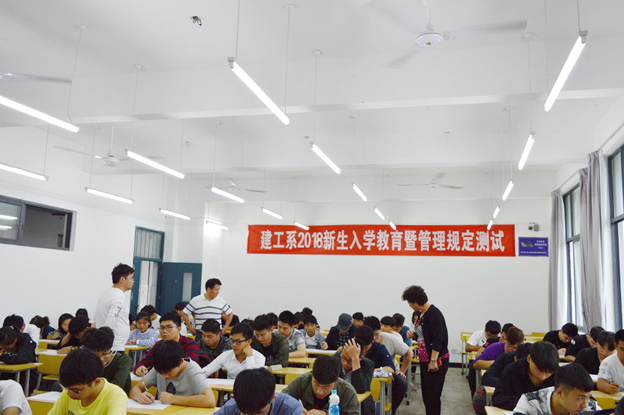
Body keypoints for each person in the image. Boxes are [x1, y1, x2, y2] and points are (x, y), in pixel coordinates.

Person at [403, 285, 449, 415]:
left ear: (415, 302)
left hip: (436, 360)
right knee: (427, 396)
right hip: (425, 359)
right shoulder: (420, 313)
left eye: (409, 302)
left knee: (433, 396)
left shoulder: (434, 314)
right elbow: (425, 335)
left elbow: (438, 339)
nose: (409, 305)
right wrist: (414, 335)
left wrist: (433, 361)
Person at [130, 341, 215, 408]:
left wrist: (173, 399)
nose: (165, 376)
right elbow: (135, 389)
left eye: (168, 372)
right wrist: (139, 396)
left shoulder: (193, 371)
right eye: (161, 373)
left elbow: (210, 400)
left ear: (181, 362)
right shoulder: (161, 366)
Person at [48, 348, 128, 415]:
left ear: (96, 382)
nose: (69, 394)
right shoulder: (70, 390)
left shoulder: (116, 396)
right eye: (66, 388)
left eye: (76, 390)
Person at [363, 316, 411, 413]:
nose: (374, 338)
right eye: (371, 336)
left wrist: (402, 371)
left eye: (376, 334)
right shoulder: (360, 340)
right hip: (366, 375)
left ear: (380, 330)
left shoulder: (391, 340)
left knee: (401, 382)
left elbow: (409, 353)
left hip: (387, 373)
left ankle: (392, 410)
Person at [492, 341, 559, 410]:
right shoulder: (512, 370)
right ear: (529, 358)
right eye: (538, 369)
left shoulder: (559, 374)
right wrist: (528, 405)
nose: (543, 376)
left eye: (549, 372)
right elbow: (498, 399)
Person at [282, 355, 359, 415]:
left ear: (336, 381)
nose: (319, 391)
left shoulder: (347, 391)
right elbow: (281, 400)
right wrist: (295, 409)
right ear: (312, 374)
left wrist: (327, 413)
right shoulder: (303, 381)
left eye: (326, 387)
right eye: (316, 384)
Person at [513, 363, 600, 414]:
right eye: (580, 398)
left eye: (588, 397)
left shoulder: (591, 408)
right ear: (559, 393)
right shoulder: (530, 403)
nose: (585, 405)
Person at [472, 343, 533, 415]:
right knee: (479, 400)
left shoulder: (537, 369)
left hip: (523, 400)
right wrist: (505, 385)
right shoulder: (505, 358)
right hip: (504, 393)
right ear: (515, 359)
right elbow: (487, 377)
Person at [134, 311, 200, 376]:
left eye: (169, 327)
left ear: (179, 329)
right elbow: (145, 361)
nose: (164, 331)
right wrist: (140, 368)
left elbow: (188, 366)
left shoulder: (190, 344)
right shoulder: (159, 345)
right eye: (162, 328)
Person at [215, 368, 302, 415]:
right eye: (245, 413)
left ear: (272, 398)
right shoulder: (232, 406)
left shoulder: (290, 408)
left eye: (258, 413)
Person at [470, 327, 524, 397]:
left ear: (522, 343)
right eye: (510, 346)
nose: (513, 350)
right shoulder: (494, 348)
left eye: (516, 348)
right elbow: (475, 364)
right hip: (497, 384)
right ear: (505, 340)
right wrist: (498, 363)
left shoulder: (525, 352)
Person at [95, 263, 134, 352]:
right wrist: (106, 344)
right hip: (113, 346)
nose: (133, 281)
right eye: (131, 278)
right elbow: (111, 321)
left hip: (109, 345)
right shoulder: (118, 296)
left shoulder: (106, 294)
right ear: (122, 279)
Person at [81, 326, 132, 394]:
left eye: (104, 354)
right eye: (95, 356)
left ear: (110, 349)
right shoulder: (85, 359)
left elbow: (116, 387)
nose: (100, 359)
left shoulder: (123, 360)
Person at [339, 338, 375, 415]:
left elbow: (361, 389)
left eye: (350, 361)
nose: (345, 363)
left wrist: (355, 360)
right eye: (343, 358)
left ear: (361, 358)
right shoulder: (335, 360)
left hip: (360, 404)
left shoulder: (368, 365)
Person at [597, 329, 624, 394]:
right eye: (623, 349)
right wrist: (608, 387)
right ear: (615, 346)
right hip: (619, 398)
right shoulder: (608, 362)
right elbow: (601, 383)